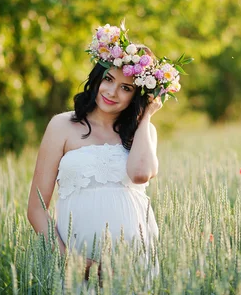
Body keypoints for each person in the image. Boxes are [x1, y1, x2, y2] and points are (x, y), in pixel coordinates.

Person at [27, 22, 189, 284]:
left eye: (126, 88)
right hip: (75, 260)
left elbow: (140, 174)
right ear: (98, 78)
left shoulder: (143, 133)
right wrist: (71, 262)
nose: (112, 92)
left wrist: (146, 115)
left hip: (133, 260)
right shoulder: (62, 126)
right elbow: (36, 208)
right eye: (109, 80)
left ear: (138, 95)